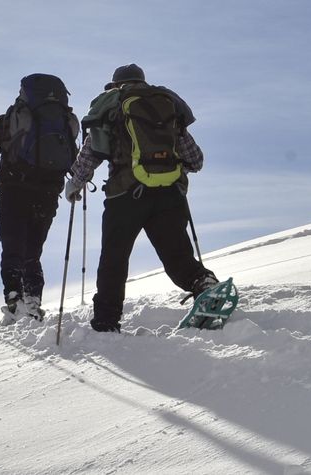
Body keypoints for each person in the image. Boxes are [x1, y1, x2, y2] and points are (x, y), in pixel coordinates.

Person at [66, 64, 218, 333]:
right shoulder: (165, 104)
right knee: (176, 254)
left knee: (114, 258)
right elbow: (195, 160)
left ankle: (106, 320)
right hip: (170, 194)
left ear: (116, 85)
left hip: (126, 195)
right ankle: (203, 283)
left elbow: (91, 153)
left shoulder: (112, 105)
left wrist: (75, 184)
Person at [0, 73, 81, 324]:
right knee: (33, 250)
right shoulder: (63, 120)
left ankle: (14, 297)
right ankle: (33, 300)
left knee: (12, 244)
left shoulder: (8, 119)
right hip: (48, 190)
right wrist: (77, 183)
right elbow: (73, 155)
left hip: (14, 187)